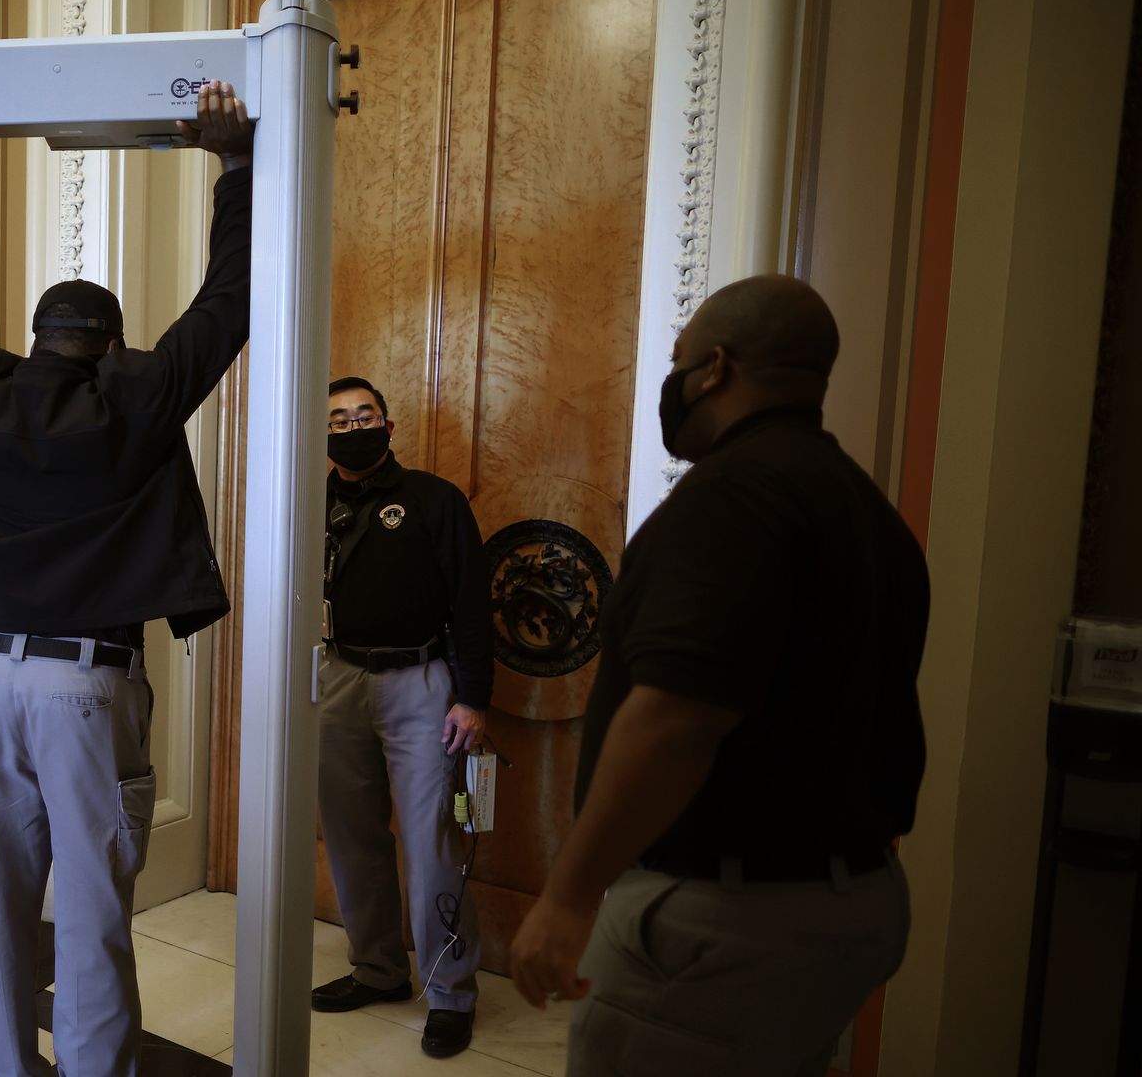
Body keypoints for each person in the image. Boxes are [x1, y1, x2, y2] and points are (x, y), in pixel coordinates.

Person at [0, 86, 252, 1077]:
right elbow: (228, 303)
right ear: (112, 344)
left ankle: (6, 1069)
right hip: (86, 687)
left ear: (38, 337)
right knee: (90, 917)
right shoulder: (142, 394)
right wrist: (235, 164)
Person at [506, 275, 928, 1076]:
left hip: (722, 922)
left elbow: (677, 719)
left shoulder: (732, 498)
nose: (673, 383)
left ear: (715, 369)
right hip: (851, 900)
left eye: (678, 362)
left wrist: (568, 896)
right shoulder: (868, 512)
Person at [311, 376, 494, 1059]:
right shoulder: (309, 502)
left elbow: (471, 602)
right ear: (323, 432)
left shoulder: (434, 500)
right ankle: (378, 970)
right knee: (350, 834)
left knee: (432, 844)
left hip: (421, 684)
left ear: (387, 427)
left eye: (365, 416)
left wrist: (473, 699)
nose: (352, 426)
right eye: (338, 418)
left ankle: (451, 993)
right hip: (338, 678)